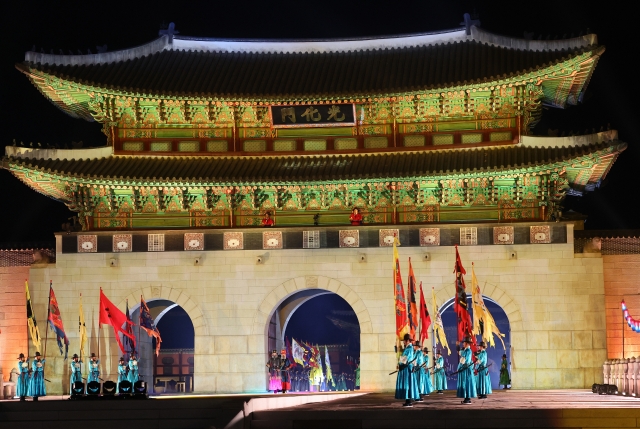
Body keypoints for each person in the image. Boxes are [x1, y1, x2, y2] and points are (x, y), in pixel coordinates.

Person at [395, 334, 419, 407]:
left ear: (407, 341)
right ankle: (408, 400)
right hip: (407, 367)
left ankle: (408, 401)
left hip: (406, 368)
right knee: (408, 384)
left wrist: (399, 364)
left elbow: (406, 358)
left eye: (404, 341)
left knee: (407, 384)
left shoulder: (409, 348)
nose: (404, 342)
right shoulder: (408, 348)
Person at [456, 338, 477, 405]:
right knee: (466, 383)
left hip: (466, 369)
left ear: (467, 343)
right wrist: (457, 346)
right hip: (466, 368)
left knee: (466, 383)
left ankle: (467, 399)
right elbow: (460, 353)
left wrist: (459, 367)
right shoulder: (466, 350)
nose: (463, 343)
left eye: (464, 342)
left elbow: (463, 360)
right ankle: (466, 398)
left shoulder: (468, 350)